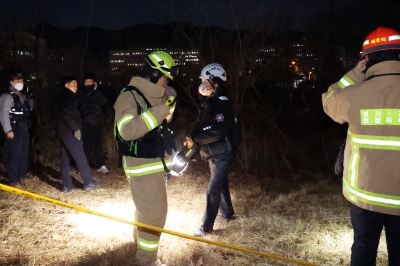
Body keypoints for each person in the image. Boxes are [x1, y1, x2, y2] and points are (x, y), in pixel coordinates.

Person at [322, 26, 400, 266]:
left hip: (365, 196)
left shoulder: (353, 95)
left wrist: (354, 75)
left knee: (364, 250)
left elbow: (328, 100)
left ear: (366, 59)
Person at [114, 51, 178, 266]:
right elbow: (127, 130)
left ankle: (140, 248)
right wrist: (161, 110)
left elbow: (155, 128)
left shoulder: (150, 96)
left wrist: (166, 103)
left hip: (153, 165)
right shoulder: (128, 96)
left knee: (145, 210)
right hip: (143, 167)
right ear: (152, 73)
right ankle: (146, 262)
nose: (166, 82)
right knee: (154, 216)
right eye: (164, 78)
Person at [185, 63, 237, 237]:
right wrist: (193, 137)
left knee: (213, 189)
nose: (202, 84)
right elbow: (203, 125)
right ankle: (229, 214)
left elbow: (216, 130)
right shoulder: (212, 102)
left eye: (205, 81)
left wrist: (196, 138)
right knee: (221, 185)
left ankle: (205, 227)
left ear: (215, 82)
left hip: (222, 151)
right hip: (214, 151)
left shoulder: (221, 103)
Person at [57, 76, 102, 192]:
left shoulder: (66, 96)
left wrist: (92, 89)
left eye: (76, 85)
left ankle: (67, 185)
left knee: (66, 159)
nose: (75, 87)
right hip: (70, 131)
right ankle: (88, 182)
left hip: (64, 132)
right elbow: (68, 114)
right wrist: (76, 129)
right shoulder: (66, 96)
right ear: (66, 85)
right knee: (80, 156)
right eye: (73, 84)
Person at [0, 72, 32, 186]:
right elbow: (3, 114)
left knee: (24, 153)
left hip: (24, 128)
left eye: (21, 81)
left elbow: (30, 109)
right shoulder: (7, 96)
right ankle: (13, 179)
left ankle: (22, 175)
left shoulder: (22, 95)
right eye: (17, 81)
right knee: (15, 154)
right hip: (14, 129)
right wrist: (8, 130)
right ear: (11, 82)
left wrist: (30, 97)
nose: (20, 83)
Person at [78, 73, 109, 173]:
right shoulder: (81, 92)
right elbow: (78, 105)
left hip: (96, 122)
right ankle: (85, 166)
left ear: (94, 82)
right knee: (85, 145)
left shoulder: (97, 93)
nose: (88, 83)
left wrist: (95, 90)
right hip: (84, 122)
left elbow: (104, 101)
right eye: (86, 81)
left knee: (97, 145)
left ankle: (101, 165)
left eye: (90, 81)